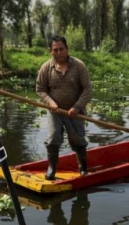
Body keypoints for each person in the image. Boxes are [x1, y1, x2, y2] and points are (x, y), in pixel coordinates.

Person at [35, 35, 92, 180]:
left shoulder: (79, 66)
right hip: (55, 112)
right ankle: (52, 169)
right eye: (55, 50)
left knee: (78, 141)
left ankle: (83, 168)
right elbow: (40, 89)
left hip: (75, 112)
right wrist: (50, 102)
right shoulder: (46, 68)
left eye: (61, 49)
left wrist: (78, 107)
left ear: (67, 49)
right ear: (50, 51)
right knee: (53, 138)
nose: (59, 52)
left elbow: (87, 89)